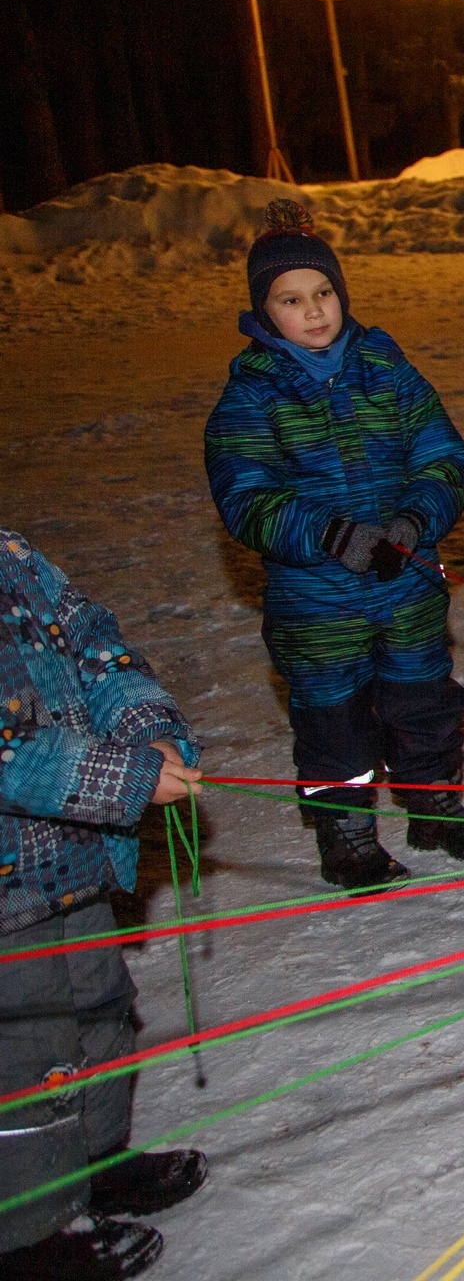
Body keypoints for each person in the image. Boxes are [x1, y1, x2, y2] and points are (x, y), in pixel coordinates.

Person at [206, 203, 464, 889]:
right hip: (317, 601)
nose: (314, 311)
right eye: (291, 300)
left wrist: (415, 520)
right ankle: (346, 833)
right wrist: (329, 534)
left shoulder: (386, 370)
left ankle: (434, 805)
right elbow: (247, 498)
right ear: (262, 311)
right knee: (333, 718)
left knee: (424, 700)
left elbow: (442, 455)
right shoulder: (252, 397)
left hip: (406, 583)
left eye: (323, 293)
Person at [0, 532, 208, 1279]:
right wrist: (120, 776)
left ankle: (92, 1160)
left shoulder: (13, 558)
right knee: (25, 1049)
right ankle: (32, 1230)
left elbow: (95, 645)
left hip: (73, 854)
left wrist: (149, 730)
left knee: (99, 1004)